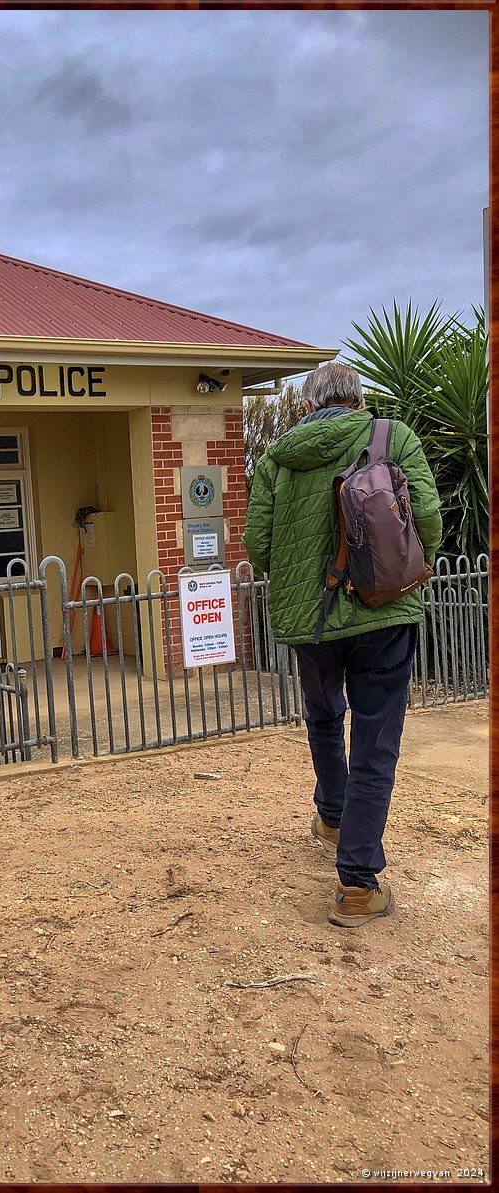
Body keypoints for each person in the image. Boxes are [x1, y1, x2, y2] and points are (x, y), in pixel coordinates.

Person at [243, 362, 442, 927]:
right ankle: (357, 885)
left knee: (325, 717)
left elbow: (259, 544)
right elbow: (426, 516)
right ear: (358, 400)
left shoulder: (278, 457)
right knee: (376, 741)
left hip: (313, 618)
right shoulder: (392, 437)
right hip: (383, 609)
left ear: (308, 406)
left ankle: (332, 816)